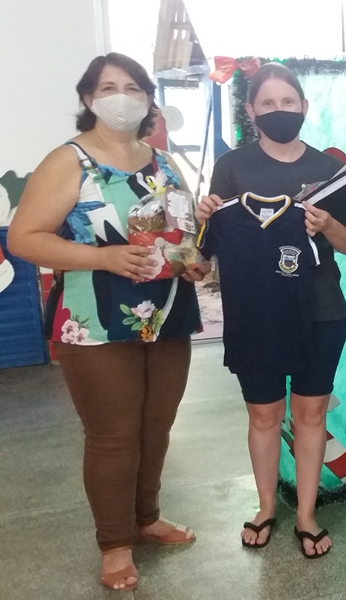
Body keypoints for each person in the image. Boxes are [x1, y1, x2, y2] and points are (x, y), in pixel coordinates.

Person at [8, 53, 208, 591]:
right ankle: (114, 544)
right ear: (88, 99)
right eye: (108, 88)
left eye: (133, 87)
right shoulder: (68, 161)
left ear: (148, 98)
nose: (122, 97)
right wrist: (104, 257)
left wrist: (193, 260)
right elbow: (24, 238)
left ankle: (146, 519)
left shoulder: (165, 162)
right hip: (95, 319)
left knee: (156, 428)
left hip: (168, 313)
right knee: (113, 437)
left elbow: (180, 234)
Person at [195, 62, 346, 558]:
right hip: (255, 313)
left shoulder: (329, 170)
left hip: (321, 310)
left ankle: (307, 514)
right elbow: (205, 250)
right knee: (264, 415)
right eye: (267, 103)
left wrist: (327, 225)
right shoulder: (232, 168)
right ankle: (267, 506)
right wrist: (204, 216)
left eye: (288, 102)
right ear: (251, 111)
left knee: (310, 414)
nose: (279, 110)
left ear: (304, 107)